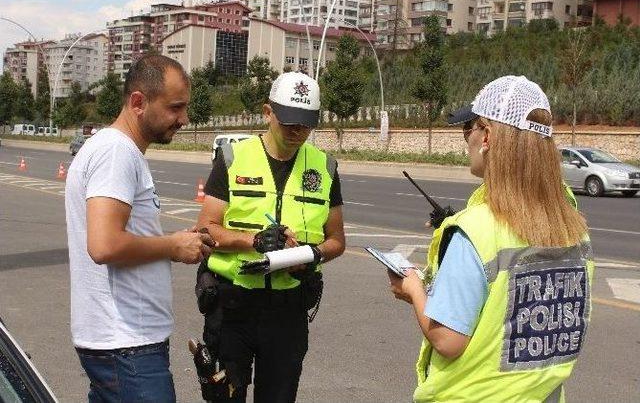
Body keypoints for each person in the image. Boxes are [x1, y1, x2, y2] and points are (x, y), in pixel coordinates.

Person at [388, 75, 594, 402]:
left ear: (487, 135)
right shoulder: (574, 227)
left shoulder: (477, 229)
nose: (465, 139)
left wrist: (414, 289)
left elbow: (448, 340)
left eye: (468, 129)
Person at [65, 55, 215, 403]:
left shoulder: (111, 149)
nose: (184, 119)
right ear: (138, 102)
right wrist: (172, 246)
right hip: (128, 344)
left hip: (120, 344)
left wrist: (180, 241)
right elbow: (104, 245)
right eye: (175, 107)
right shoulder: (117, 152)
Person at [194, 71, 346, 402]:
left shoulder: (325, 167)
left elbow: (336, 240)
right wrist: (254, 241)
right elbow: (206, 229)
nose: (297, 131)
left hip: (288, 309)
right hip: (233, 304)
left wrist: (310, 256)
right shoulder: (234, 158)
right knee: (225, 396)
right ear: (267, 112)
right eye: (289, 121)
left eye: (306, 123)